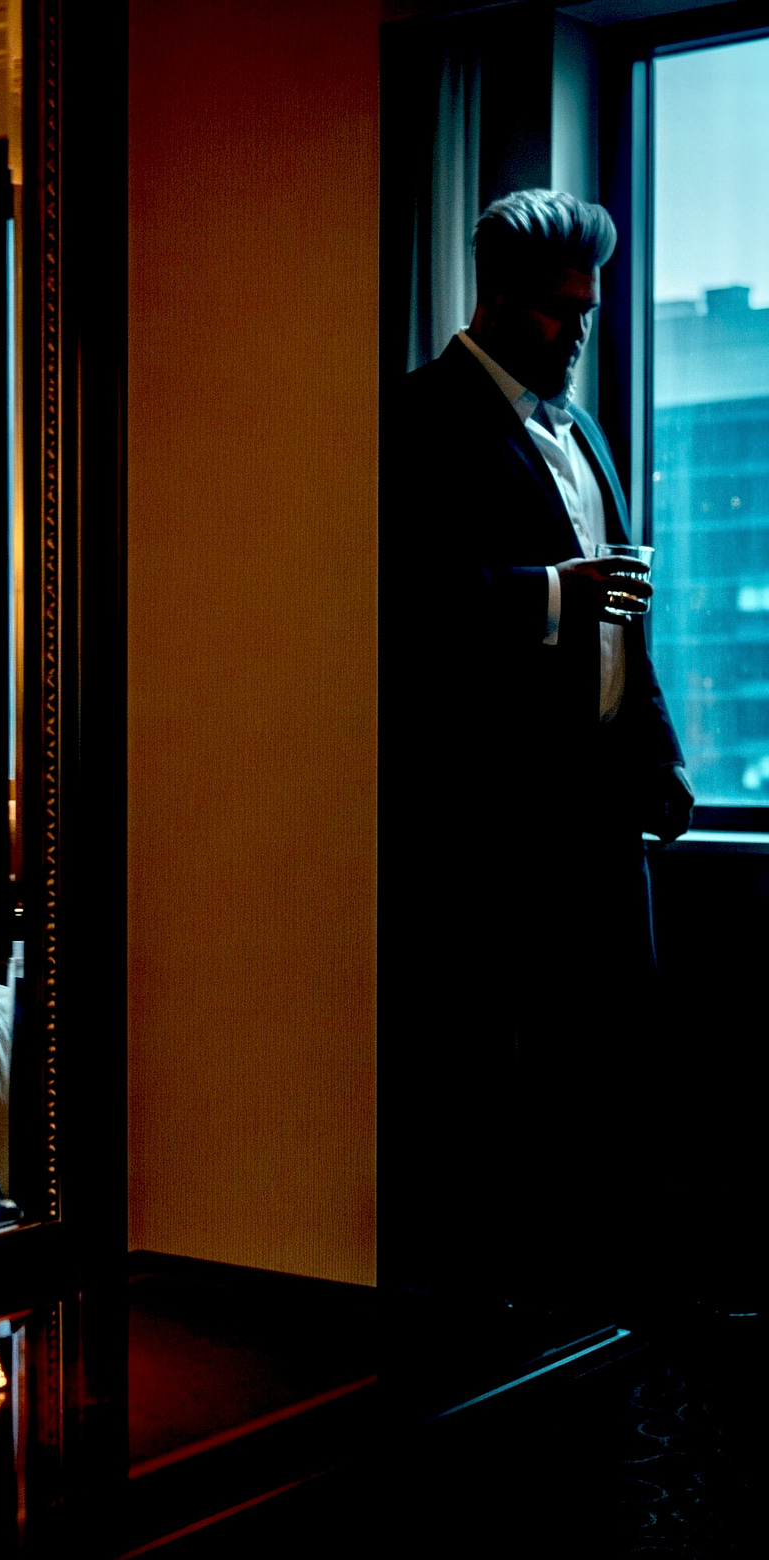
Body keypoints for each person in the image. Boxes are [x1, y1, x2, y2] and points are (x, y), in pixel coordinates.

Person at [381, 189, 693, 1302]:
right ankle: (498, 1303)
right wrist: (551, 593)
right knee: (496, 1070)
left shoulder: (587, 432)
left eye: (590, 311)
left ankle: (604, 1294)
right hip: (494, 815)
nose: (580, 331)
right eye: (562, 311)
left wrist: (658, 750)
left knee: (616, 1056)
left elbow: (625, 618)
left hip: (602, 802)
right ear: (499, 297)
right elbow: (402, 603)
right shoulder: (417, 417)